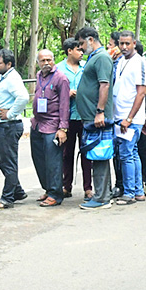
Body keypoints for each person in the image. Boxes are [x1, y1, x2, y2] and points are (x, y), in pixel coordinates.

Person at [0, 48, 29, 209]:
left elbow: (23, 97)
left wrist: (10, 113)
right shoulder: (4, 77)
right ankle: (17, 190)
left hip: (8, 126)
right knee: (0, 159)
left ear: (8, 64)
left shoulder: (12, 78)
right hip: (1, 126)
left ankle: (7, 197)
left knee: (8, 162)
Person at [75, 26, 114, 210]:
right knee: (97, 155)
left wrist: (100, 111)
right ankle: (103, 194)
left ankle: (101, 198)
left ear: (91, 39)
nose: (80, 48)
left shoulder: (102, 58)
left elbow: (104, 85)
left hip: (97, 116)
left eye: (82, 43)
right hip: (90, 116)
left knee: (100, 156)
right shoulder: (94, 57)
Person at [112, 30, 146, 205]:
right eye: (121, 43)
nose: (124, 47)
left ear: (134, 43)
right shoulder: (120, 61)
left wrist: (130, 118)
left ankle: (130, 193)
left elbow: (141, 93)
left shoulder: (140, 62)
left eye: (128, 43)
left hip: (131, 118)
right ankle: (138, 191)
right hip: (119, 116)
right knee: (131, 154)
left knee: (126, 154)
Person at [31, 49, 71, 206]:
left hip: (53, 125)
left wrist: (63, 128)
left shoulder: (61, 78)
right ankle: (48, 189)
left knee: (53, 161)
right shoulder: (39, 76)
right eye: (43, 60)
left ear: (54, 60)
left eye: (49, 60)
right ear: (38, 62)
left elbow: (64, 105)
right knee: (39, 160)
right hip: (38, 124)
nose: (46, 63)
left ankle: (55, 194)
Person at [57, 38, 92, 200]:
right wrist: (67, 92)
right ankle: (66, 185)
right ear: (69, 50)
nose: (81, 53)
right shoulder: (59, 69)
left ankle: (88, 187)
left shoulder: (86, 67)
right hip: (67, 117)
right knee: (66, 154)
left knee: (86, 153)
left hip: (84, 116)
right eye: (78, 50)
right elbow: (54, 92)